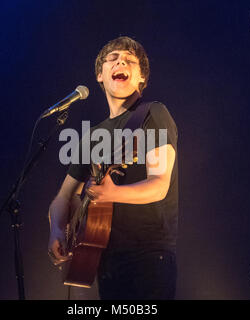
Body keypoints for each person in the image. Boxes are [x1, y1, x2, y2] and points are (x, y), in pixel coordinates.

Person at [48, 36, 178, 300]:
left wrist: (111, 194)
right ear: (100, 75)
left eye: (130, 60)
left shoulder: (152, 114)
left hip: (148, 257)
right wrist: (57, 230)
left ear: (141, 78)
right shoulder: (92, 135)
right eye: (113, 58)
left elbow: (160, 184)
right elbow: (63, 197)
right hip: (103, 260)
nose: (121, 61)